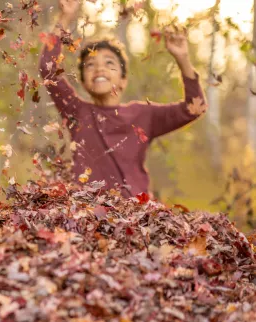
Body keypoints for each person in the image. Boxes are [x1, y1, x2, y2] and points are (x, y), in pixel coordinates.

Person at [39, 0, 206, 197]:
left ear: (123, 80)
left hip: (135, 218)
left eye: (109, 63)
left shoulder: (143, 115)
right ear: (83, 82)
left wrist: (183, 58)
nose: (100, 68)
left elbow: (194, 108)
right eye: (90, 64)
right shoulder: (77, 112)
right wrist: (65, 17)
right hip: (87, 216)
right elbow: (48, 68)